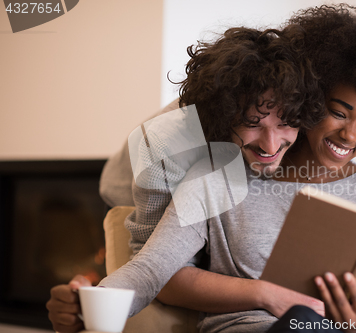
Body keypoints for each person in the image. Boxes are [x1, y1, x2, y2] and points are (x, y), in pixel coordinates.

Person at [47, 4, 356, 333]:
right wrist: (87, 302)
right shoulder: (215, 175)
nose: (351, 135)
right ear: (314, 102)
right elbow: (151, 268)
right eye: (337, 113)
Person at [46, 25, 324, 333]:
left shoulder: (304, 132)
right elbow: (152, 267)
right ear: (226, 117)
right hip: (123, 183)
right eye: (251, 124)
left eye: (285, 123)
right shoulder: (168, 148)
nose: (271, 146)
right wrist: (88, 303)